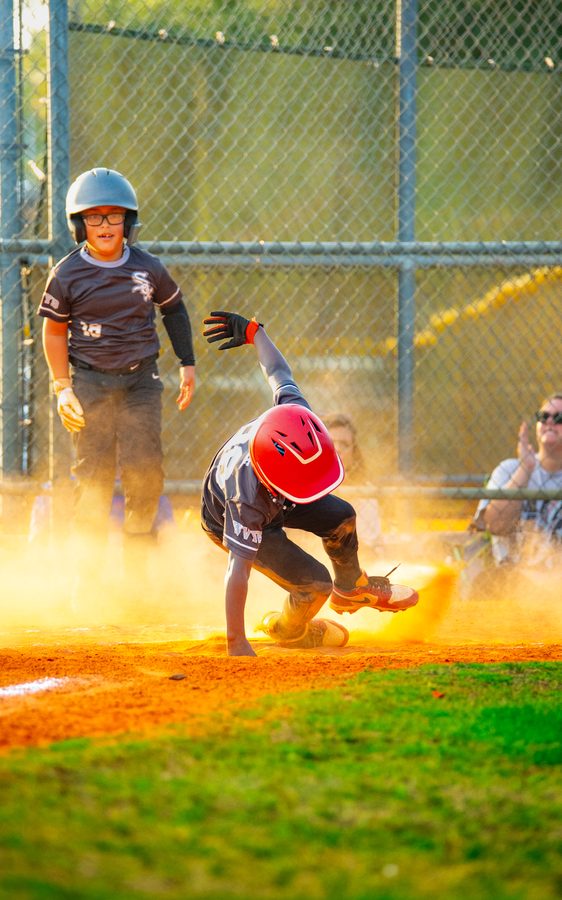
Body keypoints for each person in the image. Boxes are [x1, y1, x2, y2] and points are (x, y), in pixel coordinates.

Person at [200, 310, 418, 657]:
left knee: (341, 516)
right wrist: (236, 643)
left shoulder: (295, 414)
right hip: (227, 516)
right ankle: (288, 629)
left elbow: (278, 372)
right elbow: (236, 572)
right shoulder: (247, 498)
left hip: (276, 491)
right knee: (315, 583)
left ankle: (350, 587)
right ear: (277, 482)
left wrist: (256, 332)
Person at [37, 167, 196, 588]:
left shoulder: (148, 267)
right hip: (89, 383)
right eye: (94, 216)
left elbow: (174, 310)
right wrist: (62, 387)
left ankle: (135, 580)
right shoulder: (67, 274)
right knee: (94, 480)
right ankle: (87, 583)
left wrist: (187, 362)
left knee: (145, 474)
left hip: (140, 382)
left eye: (114, 216)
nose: (105, 225)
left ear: (129, 221)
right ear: (78, 224)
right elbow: (53, 330)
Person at [473, 393, 562, 569]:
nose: (550, 422)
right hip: (511, 579)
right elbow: (495, 525)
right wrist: (525, 469)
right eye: (544, 417)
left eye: (559, 418)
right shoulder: (509, 469)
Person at [322, 412, 382, 550]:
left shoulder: (365, 491)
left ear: (353, 451)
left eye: (344, 444)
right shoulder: (303, 487)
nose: (337, 449)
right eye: (331, 442)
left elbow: (368, 546)